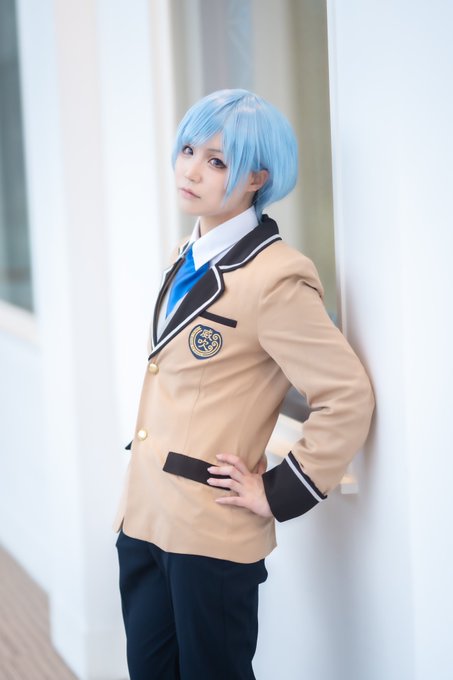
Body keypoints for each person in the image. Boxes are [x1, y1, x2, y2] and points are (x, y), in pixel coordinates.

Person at [114, 88, 375, 680]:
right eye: (189, 150)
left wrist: (280, 490)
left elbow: (347, 395)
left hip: (210, 533)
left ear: (257, 178)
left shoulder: (276, 278)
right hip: (144, 517)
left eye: (217, 161)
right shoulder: (186, 254)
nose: (191, 170)